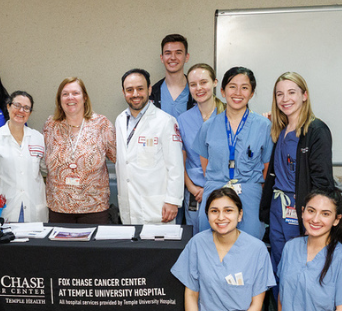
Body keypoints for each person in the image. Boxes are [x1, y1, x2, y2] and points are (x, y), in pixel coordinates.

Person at [260, 72, 334, 279]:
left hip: (299, 207)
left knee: (299, 267)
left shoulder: (316, 130)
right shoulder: (280, 130)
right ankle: (282, 310)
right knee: (278, 264)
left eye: (291, 92)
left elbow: (322, 181)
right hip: (278, 207)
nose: (285, 99)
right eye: (280, 94)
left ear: (304, 95)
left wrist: (313, 215)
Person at [194, 66, 272, 238]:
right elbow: (206, 167)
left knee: (249, 248)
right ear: (222, 91)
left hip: (249, 195)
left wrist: (250, 188)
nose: (238, 92)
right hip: (215, 193)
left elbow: (267, 168)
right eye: (232, 86)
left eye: (244, 87)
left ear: (251, 93)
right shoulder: (208, 127)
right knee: (210, 247)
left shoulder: (264, 126)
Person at [114, 68, 184, 224]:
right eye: (130, 90)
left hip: (157, 207)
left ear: (149, 89)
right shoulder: (120, 120)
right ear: (123, 92)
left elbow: (176, 166)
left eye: (140, 89)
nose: (135, 94)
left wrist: (173, 201)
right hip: (129, 204)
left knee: (157, 247)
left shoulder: (165, 121)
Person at [43, 77, 116, 224]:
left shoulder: (102, 125)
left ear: (84, 97)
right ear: (59, 99)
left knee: (92, 248)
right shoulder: (50, 125)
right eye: (65, 94)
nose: (70, 98)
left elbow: (117, 159)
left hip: (94, 208)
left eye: (75, 93)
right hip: (58, 208)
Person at [0, 90, 49, 222]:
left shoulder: (38, 138)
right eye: (17, 105)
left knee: (35, 242)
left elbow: (46, 169)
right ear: (8, 107)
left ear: (30, 112)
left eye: (26, 108)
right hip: (4, 209)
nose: (21, 111)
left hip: (34, 208)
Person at [178, 64, 224, 233]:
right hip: (194, 192)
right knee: (197, 241)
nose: (199, 88)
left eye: (203, 82)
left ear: (214, 82)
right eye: (193, 84)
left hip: (224, 190)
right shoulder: (183, 120)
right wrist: (192, 187)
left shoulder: (228, 115)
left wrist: (212, 189)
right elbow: (180, 161)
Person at [149, 33, 192, 119]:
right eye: (168, 53)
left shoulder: (197, 91)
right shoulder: (152, 94)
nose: (173, 57)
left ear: (186, 57)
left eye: (178, 53)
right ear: (162, 58)